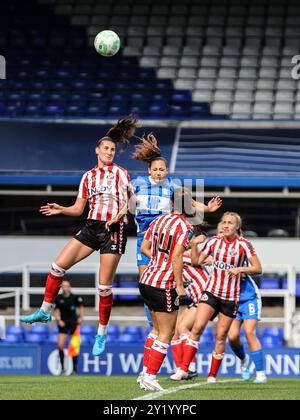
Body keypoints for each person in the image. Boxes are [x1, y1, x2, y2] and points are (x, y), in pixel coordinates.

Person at [21, 116, 139, 357]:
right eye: (106, 148)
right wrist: (62, 209)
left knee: (104, 286)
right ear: (97, 150)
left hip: (113, 229)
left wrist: (119, 216)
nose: (109, 152)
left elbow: (132, 202)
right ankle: (44, 310)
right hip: (91, 226)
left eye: (113, 149)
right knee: (57, 266)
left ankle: (101, 333)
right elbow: (78, 208)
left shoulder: (121, 174)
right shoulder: (88, 177)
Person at [130, 134, 222, 327]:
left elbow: (188, 201)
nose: (158, 173)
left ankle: (170, 315)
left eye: (161, 169)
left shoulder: (172, 185)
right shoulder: (137, 183)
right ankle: (152, 327)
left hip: (163, 240)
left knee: (165, 279)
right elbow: (126, 203)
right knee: (146, 280)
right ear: (149, 170)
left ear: (166, 171)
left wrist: (206, 208)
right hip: (143, 238)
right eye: (155, 169)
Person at [172, 212, 262, 383]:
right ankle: (184, 369)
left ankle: (212, 376)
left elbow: (258, 268)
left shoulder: (244, 244)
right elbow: (197, 261)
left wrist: (241, 269)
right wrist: (195, 246)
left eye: (230, 223)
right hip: (211, 292)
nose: (226, 225)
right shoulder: (213, 242)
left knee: (221, 336)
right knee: (197, 327)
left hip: (230, 297)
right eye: (224, 222)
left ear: (237, 227)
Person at [138, 188, 195, 392]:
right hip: (163, 284)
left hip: (146, 279)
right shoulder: (185, 227)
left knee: (155, 329)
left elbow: (144, 248)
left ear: (171, 203)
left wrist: (158, 261)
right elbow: (178, 256)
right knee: (167, 332)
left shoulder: (158, 221)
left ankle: (145, 372)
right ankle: (151, 376)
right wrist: (180, 285)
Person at [170, 231, 210, 380]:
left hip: (205, 296)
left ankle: (190, 368)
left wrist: (196, 244)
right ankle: (180, 368)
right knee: (174, 332)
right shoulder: (174, 261)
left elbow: (201, 260)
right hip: (195, 299)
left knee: (182, 328)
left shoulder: (185, 256)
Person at [53, 280, 83, 375]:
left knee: (74, 347)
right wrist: (58, 320)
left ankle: (74, 370)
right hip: (63, 323)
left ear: (69, 287)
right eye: (64, 286)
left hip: (73, 323)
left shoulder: (75, 297)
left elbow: (81, 307)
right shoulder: (58, 298)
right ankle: (62, 368)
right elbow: (55, 310)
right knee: (60, 346)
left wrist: (80, 317)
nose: (66, 287)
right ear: (62, 287)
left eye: (67, 286)